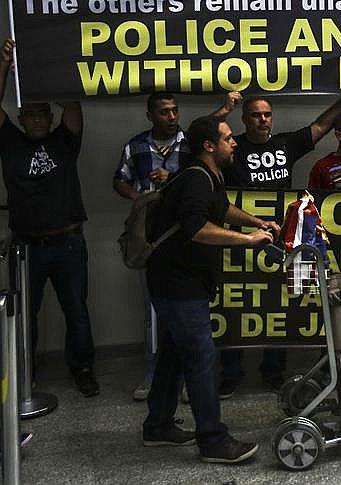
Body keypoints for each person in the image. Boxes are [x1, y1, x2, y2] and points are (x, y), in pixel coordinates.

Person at [143, 114, 280, 464]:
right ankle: (213, 441)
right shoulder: (195, 179)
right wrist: (247, 240)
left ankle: (158, 425)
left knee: (174, 354)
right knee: (202, 358)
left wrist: (256, 221)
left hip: (182, 280)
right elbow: (196, 228)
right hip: (178, 283)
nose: (234, 142)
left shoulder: (208, 175)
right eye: (228, 138)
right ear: (209, 145)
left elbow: (221, 208)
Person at [217, 91, 341, 398]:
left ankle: (273, 370)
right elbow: (199, 140)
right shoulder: (232, 149)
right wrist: (224, 110)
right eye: (255, 115)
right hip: (243, 238)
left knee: (277, 300)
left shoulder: (284, 144)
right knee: (238, 301)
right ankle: (230, 371)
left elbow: (320, 126)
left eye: (267, 114)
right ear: (244, 120)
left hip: (282, 237)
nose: (263, 120)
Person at [114, 91, 239, 401]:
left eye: (174, 110)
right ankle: (208, 429)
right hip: (157, 242)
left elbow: (207, 132)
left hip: (184, 256)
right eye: (164, 112)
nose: (171, 117)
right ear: (150, 115)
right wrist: (143, 200)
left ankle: (162, 414)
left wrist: (224, 110)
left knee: (174, 334)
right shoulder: (137, 146)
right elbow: (120, 179)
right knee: (160, 320)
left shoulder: (190, 146)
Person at [0, 38, 98, 397]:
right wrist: (6, 68)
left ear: (50, 117)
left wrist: (54, 58)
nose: (38, 119)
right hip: (27, 246)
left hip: (69, 241)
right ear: (22, 119)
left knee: (77, 311)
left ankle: (83, 369)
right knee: (24, 314)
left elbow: (73, 105)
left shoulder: (64, 141)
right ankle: (24, 374)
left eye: (43, 113)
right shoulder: (9, 142)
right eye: (31, 114)